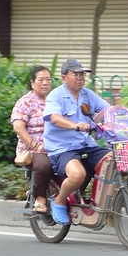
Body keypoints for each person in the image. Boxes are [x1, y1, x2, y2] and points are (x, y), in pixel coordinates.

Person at [44, 59, 110, 224]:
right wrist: (75, 125)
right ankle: (59, 201)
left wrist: (124, 118)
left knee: (112, 161)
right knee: (78, 174)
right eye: (76, 74)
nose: (80, 78)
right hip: (63, 149)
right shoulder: (56, 96)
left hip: (87, 145)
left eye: (82, 74)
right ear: (64, 78)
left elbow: (108, 110)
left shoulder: (88, 95)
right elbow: (55, 118)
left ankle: (100, 202)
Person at [11, 65, 55, 214]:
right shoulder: (25, 102)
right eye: (41, 79)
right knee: (44, 165)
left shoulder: (54, 101)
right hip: (32, 149)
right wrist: (36, 146)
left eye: (48, 79)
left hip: (55, 146)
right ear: (32, 82)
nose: (45, 83)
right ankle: (40, 198)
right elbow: (18, 128)